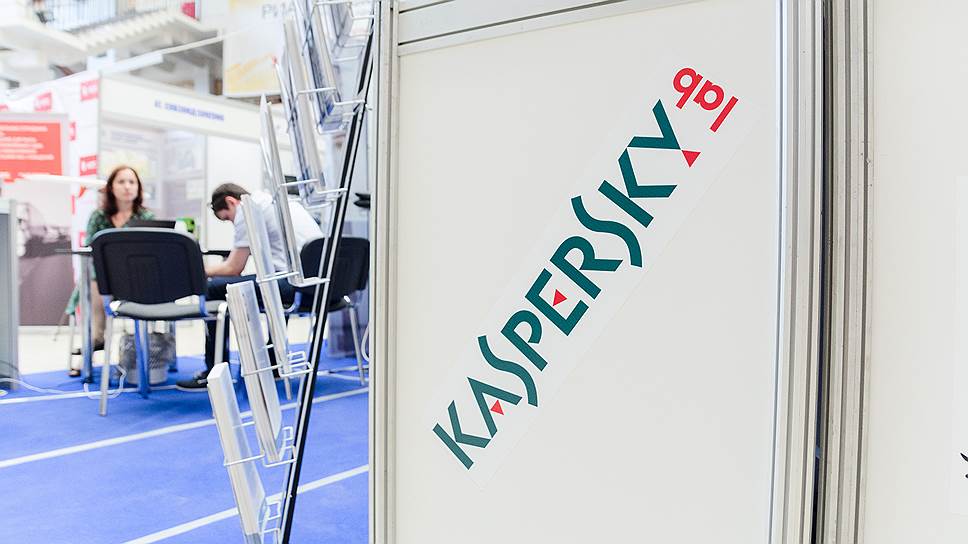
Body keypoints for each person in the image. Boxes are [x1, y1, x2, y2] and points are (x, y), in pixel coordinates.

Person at [176, 183, 322, 390]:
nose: (232, 222)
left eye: (228, 218)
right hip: (318, 286)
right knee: (267, 283)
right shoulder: (283, 202)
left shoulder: (247, 209)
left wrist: (196, 271)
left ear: (231, 202)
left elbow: (234, 268)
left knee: (212, 288)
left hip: (291, 285)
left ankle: (213, 371)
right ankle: (274, 361)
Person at [70, 165, 154, 376]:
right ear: (111, 187)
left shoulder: (147, 216)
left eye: (132, 182)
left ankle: (145, 354)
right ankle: (92, 344)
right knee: (96, 288)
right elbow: (89, 250)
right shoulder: (98, 217)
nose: (127, 187)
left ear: (138, 188)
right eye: (121, 181)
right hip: (102, 278)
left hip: (136, 278)